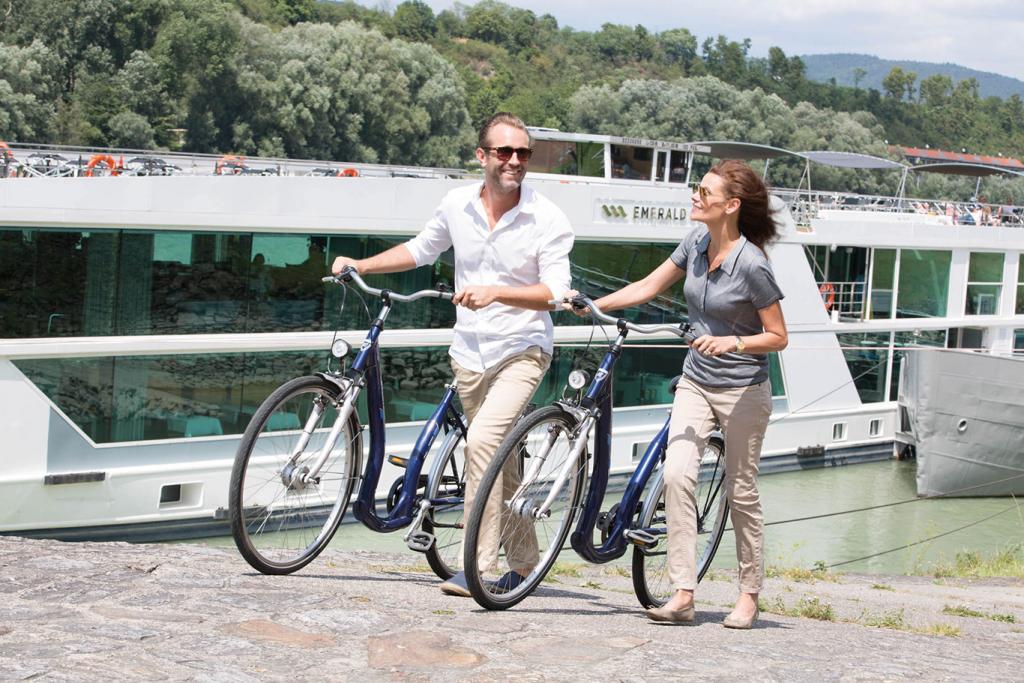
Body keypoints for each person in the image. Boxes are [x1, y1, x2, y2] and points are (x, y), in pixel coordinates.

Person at [330, 112, 574, 597]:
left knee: (482, 442)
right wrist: (362, 264)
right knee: (503, 460)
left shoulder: (547, 217)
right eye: (504, 152)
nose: (515, 161)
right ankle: (524, 565)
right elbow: (421, 250)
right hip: (468, 353)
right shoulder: (456, 203)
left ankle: (477, 567)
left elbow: (556, 293)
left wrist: (497, 292)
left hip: (522, 348)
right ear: (481, 156)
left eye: (523, 153)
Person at [573, 159, 788, 629]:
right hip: (696, 379)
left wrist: (733, 341)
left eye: (704, 192)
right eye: (697, 188)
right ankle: (683, 593)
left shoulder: (751, 264)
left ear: (730, 206)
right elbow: (650, 285)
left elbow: (778, 336)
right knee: (675, 477)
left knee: (741, 490)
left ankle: (749, 594)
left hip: (743, 390)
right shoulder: (695, 242)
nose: (695, 196)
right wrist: (592, 305)